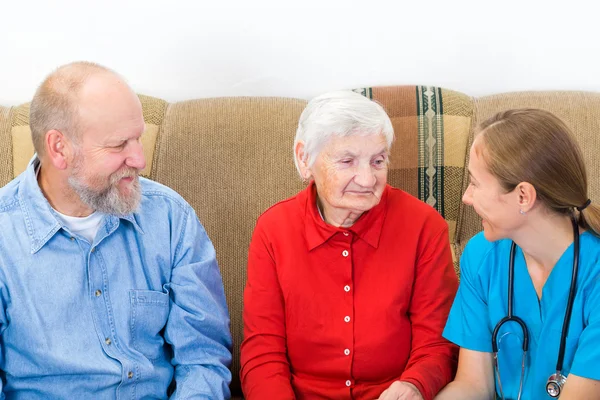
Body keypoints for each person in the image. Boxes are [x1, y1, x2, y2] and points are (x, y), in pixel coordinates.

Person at [0, 62, 232, 398]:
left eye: (138, 139)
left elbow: (203, 357)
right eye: (118, 145)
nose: (139, 159)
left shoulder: (170, 217)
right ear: (59, 148)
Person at [240, 91, 458, 400]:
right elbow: (263, 351)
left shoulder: (424, 226)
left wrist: (414, 385)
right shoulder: (274, 229)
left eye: (378, 161)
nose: (368, 180)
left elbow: (436, 343)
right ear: (305, 159)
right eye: (347, 161)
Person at [436, 109, 600, 400]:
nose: (466, 197)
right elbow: (473, 385)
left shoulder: (594, 271)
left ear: (523, 196)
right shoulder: (481, 255)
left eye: (474, 183)